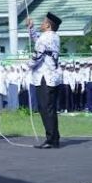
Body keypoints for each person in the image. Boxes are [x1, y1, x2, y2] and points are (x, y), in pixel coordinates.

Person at [26, 12, 62, 149]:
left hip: (44, 77)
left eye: (43, 22)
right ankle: (54, 138)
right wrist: (31, 28)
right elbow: (38, 41)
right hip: (53, 77)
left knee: (45, 109)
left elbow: (37, 55)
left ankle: (51, 139)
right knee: (50, 109)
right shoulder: (54, 37)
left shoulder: (45, 38)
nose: (41, 23)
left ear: (47, 25)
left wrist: (27, 66)